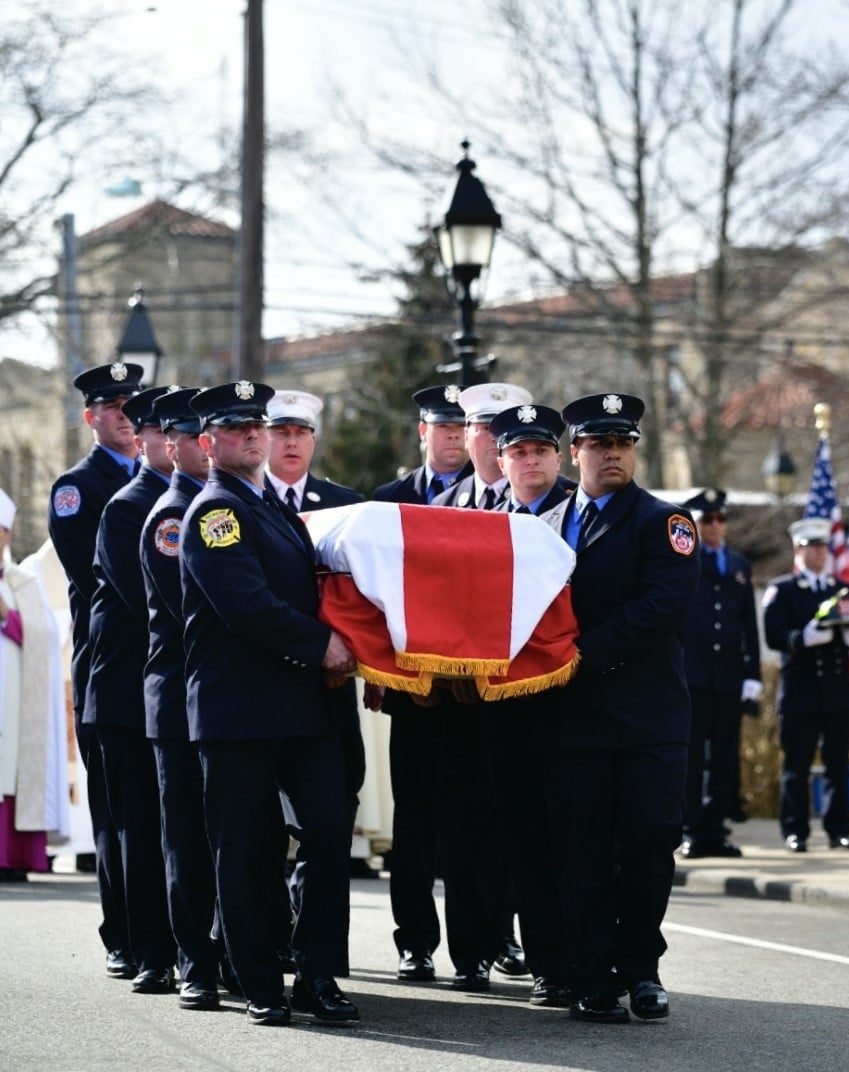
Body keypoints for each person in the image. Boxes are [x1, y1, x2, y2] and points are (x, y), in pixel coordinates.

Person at [181, 381, 358, 1027]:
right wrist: (326, 647)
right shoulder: (215, 512)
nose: (253, 435)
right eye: (235, 428)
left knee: (328, 833)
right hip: (238, 712)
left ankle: (315, 974)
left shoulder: (274, 507)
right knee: (246, 849)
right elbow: (246, 606)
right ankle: (257, 980)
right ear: (208, 443)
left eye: (257, 424)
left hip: (300, 706)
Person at [544, 392, 700, 1023]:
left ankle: (641, 968)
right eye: (599, 444)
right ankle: (592, 974)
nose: (613, 454)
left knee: (644, 846)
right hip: (571, 722)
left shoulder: (667, 523)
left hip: (646, 721)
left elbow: (662, 610)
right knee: (579, 850)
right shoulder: (544, 528)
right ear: (574, 451)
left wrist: (579, 653)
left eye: (623, 444)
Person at [433, 383, 536, 981]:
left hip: (529, 694)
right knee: (465, 827)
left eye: (504, 425)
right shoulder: (441, 508)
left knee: (521, 821)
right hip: (460, 697)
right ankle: (470, 950)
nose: (492, 436)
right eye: (480, 425)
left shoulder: (551, 502)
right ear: (467, 435)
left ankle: (514, 935)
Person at [372, 385, 473, 984]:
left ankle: (480, 940)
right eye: (444, 428)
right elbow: (371, 595)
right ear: (423, 433)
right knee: (414, 825)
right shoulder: (388, 501)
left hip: (474, 690)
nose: (455, 438)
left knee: (475, 820)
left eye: (463, 429)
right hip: (413, 689)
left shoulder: (490, 500)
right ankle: (415, 941)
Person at [47, 360, 143, 979]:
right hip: (110, 662)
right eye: (114, 408)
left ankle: (163, 931)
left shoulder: (163, 478)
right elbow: (96, 577)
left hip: (164, 666)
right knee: (117, 811)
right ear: (92, 417)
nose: (126, 417)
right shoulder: (76, 489)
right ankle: (122, 933)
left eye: (133, 406)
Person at [86, 385, 177, 994]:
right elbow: (151, 601)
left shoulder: (189, 501)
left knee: (176, 826)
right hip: (124, 694)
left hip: (165, 691)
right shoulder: (129, 505)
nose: (178, 442)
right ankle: (146, 948)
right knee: (138, 827)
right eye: (165, 432)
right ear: (145, 440)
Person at [486, 402, 576, 1008]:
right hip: (507, 708)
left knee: (580, 839)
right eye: (518, 451)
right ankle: (547, 963)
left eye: (540, 449)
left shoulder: (579, 513)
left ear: (558, 455)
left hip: (575, 704)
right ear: (501, 461)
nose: (530, 460)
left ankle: (593, 960)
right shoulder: (485, 521)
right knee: (524, 840)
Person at [139, 387, 224, 1011]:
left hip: (222, 700)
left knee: (231, 834)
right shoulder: (173, 517)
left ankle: (231, 952)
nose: (204, 445)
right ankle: (194, 961)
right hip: (181, 704)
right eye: (192, 437)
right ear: (172, 446)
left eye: (208, 434)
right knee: (188, 840)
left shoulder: (230, 505)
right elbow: (195, 613)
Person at [265, 389, 371, 877]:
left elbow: (370, 597)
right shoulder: (247, 501)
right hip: (264, 684)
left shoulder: (346, 505)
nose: (291, 443)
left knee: (331, 816)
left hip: (331, 687)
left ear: (313, 440)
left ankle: (315, 944)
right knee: (260, 827)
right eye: (280, 432)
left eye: (300, 433)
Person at [680, 488, 762, 859]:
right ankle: (692, 829)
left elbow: (749, 624)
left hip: (727, 676)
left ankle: (715, 828)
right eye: (706, 520)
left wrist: (753, 673)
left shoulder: (740, 565)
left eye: (720, 519)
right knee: (693, 758)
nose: (715, 526)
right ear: (695, 525)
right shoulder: (685, 561)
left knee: (725, 757)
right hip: (692, 675)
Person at [762, 518, 849, 853]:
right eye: (812, 547)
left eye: (822, 547)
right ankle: (795, 830)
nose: (819, 553)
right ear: (798, 549)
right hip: (800, 693)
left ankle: (838, 827)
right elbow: (773, 635)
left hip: (837, 693)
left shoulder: (837, 589)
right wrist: (803, 637)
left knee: (837, 766)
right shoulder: (783, 589)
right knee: (796, 768)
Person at [0, 489, 69, 880]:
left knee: (11, 767)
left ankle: (13, 856)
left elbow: (44, 636)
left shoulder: (23, 581)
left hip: (14, 694)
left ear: (7, 535)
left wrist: (7, 615)